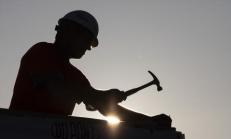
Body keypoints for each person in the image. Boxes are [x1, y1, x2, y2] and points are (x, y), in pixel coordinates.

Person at [9, 10, 171, 127]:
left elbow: (105, 107)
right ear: (69, 33)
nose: (88, 48)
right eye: (87, 41)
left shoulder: (77, 77)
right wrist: (101, 95)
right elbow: (56, 88)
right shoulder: (41, 52)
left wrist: (148, 121)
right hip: (18, 138)